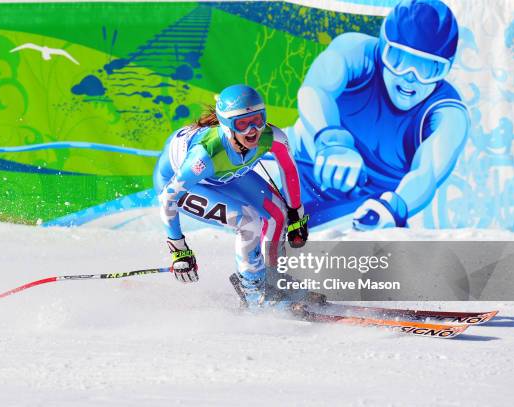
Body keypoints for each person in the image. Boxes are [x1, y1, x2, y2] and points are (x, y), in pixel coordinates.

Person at [285, 0, 470, 230]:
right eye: (399, 59)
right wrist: (334, 143)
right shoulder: (355, 53)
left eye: (427, 68)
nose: (410, 77)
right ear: (383, 46)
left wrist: (394, 208)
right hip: (298, 168)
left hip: (361, 210)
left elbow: (428, 171)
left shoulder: (448, 114)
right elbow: (316, 89)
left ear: (446, 70)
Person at [153, 84, 308, 307]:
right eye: (242, 124)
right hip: (183, 185)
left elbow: (289, 169)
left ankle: (273, 281)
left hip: (223, 174)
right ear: (227, 126)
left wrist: (296, 213)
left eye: (257, 119)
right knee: (248, 221)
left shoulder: (272, 136)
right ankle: (253, 290)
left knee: (279, 213)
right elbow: (169, 198)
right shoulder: (204, 156)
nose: (252, 130)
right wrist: (179, 251)